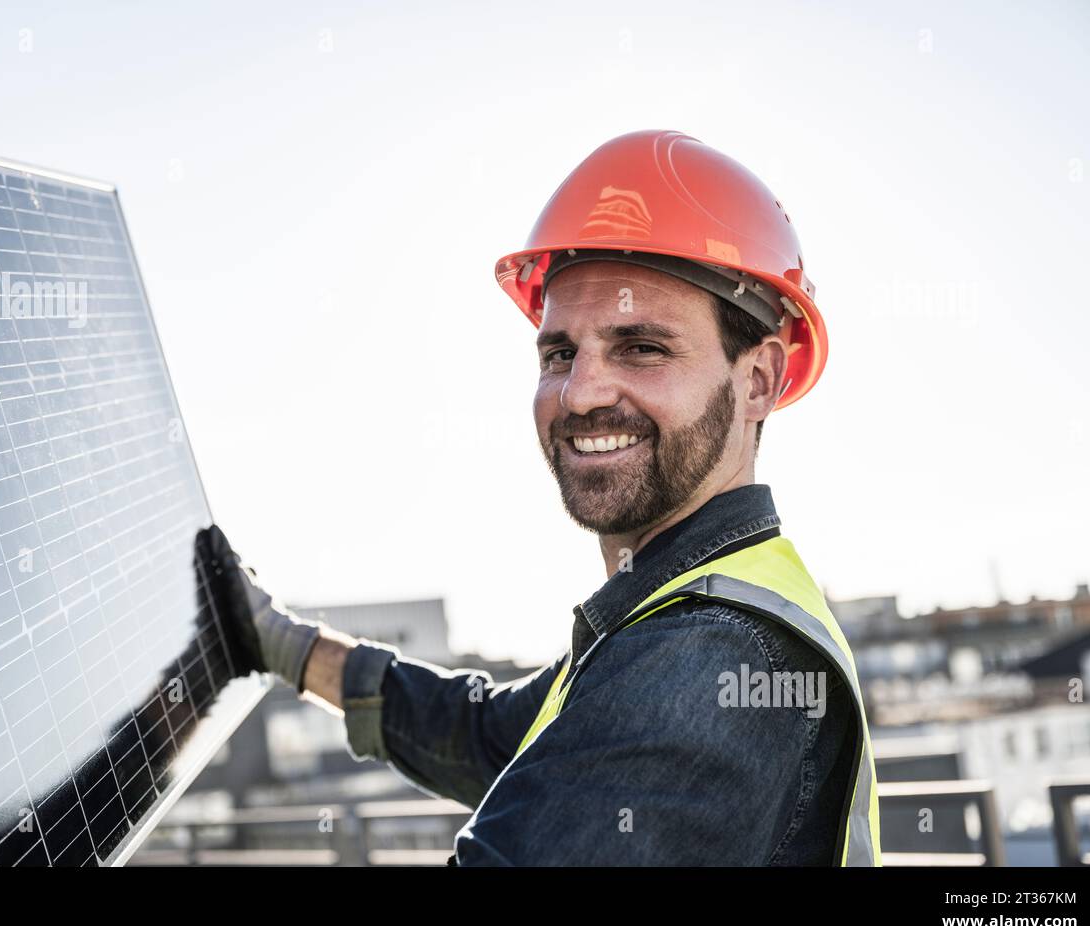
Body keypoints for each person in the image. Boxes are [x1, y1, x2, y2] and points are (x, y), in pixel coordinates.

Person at [198, 130, 881, 866]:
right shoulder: (684, 611)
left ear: (757, 382)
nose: (582, 393)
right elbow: (490, 736)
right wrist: (283, 643)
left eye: (641, 348)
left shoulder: (709, 657)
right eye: (561, 353)